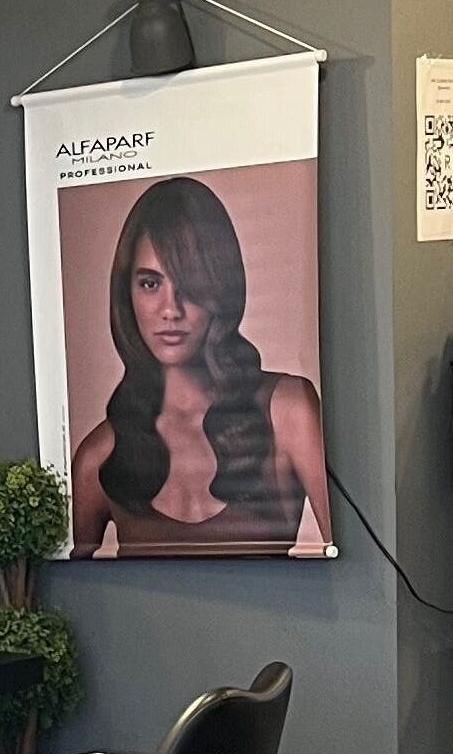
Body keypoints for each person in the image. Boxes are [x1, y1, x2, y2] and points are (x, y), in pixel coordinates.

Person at [70, 176, 328, 558]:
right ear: (127, 293)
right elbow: (70, 595)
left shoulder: (289, 412)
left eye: (190, 282)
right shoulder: (99, 456)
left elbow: (361, 566)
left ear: (220, 287)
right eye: (150, 283)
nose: (171, 310)